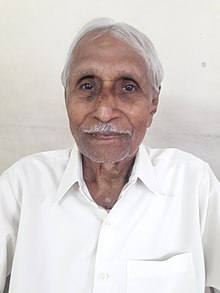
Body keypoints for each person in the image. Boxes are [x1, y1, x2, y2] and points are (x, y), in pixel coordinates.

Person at [0, 18, 219, 293]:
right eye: (87, 86)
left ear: (153, 102)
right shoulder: (20, 186)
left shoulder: (195, 185)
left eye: (128, 87)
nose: (104, 111)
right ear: (66, 95)